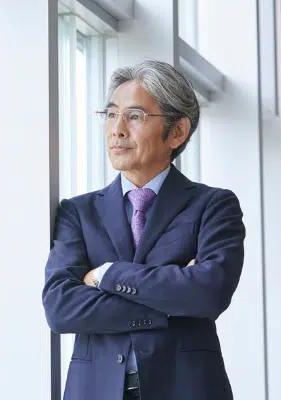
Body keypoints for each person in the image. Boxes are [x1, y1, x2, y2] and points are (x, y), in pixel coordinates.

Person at [42, 60, 245, 400]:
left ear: (177, 132)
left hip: (186, 389)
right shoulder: (78, 212)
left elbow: (209, 293)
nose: (117, 129)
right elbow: (60, 308)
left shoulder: (213, 206)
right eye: (111, 114)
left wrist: (107, 275)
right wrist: (174, 296)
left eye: (134, 116)